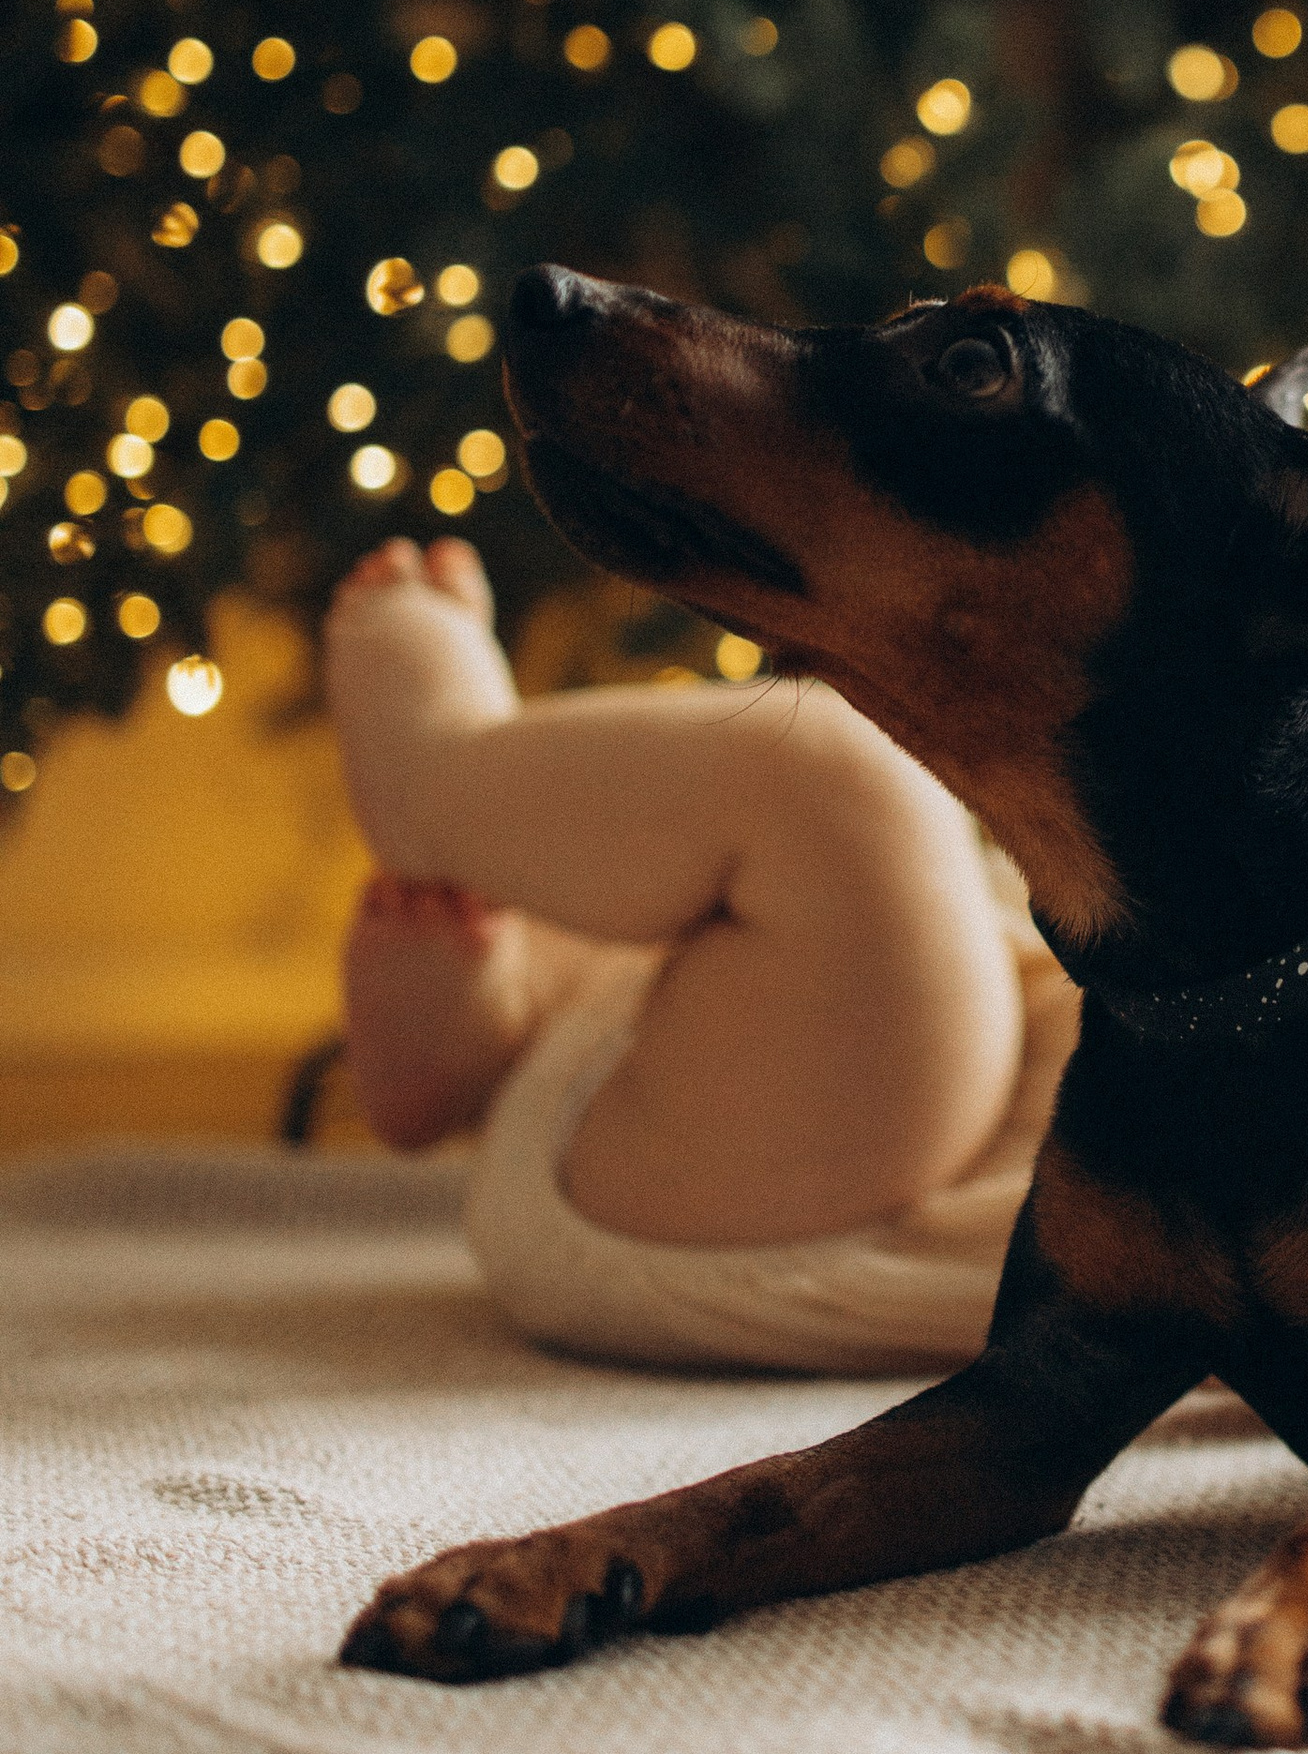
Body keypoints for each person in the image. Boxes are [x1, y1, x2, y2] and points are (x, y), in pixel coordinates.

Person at [324, 536, 1075, 1372]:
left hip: (794, 1197)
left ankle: (433, 783)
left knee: (838, 786)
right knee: (817, 876)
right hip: (695, 1131)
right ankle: (505, 1020)